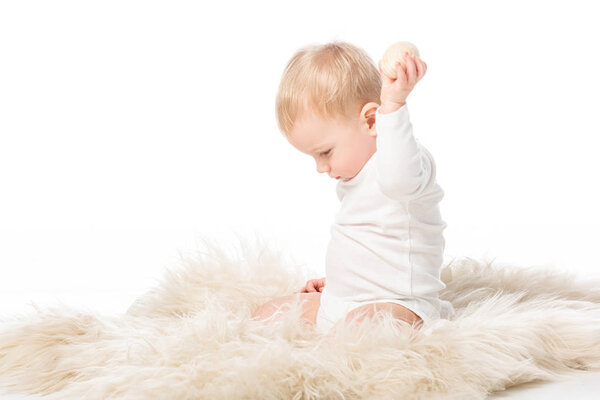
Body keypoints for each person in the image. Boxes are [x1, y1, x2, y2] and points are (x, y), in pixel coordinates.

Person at [251, 40, 454, 334]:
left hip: (398, 304)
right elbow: (368, 246)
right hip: (344, 300)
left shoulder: (402, 164)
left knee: (360, 331)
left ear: (371, 120)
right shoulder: (354, 176)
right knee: (265, 315)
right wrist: (338, 283)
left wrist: (393, 108)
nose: (321, 168)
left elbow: (398, 176)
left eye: (325, 153)